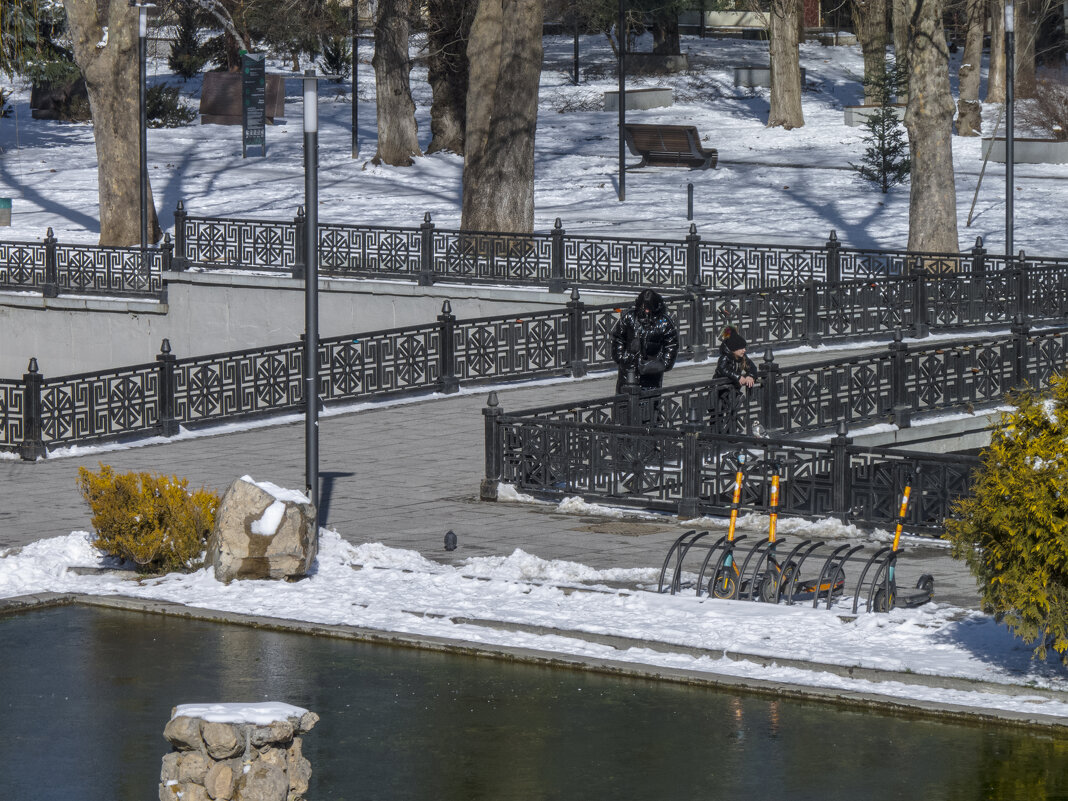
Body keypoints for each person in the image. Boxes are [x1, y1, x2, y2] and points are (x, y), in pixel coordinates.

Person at [610, 289, 679, 395]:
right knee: (624, 404)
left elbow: (672, 345)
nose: (647, 311)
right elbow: (618, 338)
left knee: (649, 405)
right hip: (628, 370)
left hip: (651, 373)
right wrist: (622, 358)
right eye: (644, 307)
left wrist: (659, 365)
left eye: (649, 308)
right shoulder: (629, 317)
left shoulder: (664, 322)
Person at [713, 325, 759, 433]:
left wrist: (750, 376)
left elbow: (752, 367)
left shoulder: (742, 357)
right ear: (734, 349)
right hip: (720, 390)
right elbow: (723, 369)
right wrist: (738, 376)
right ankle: (716, 435)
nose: (744, 350)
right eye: (741, 348)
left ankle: (730, 434)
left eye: (744, 348)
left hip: (732, 391)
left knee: (732, 413)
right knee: (718, 414)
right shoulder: (725, 357)